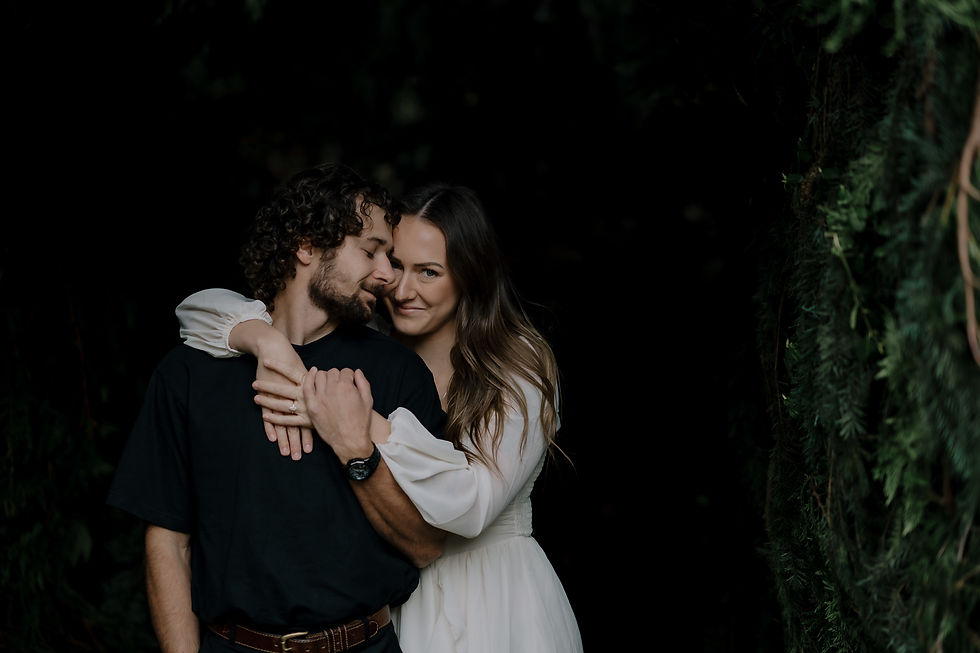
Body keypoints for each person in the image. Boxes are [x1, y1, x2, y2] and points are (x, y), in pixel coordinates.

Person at [175, 183, 584, 653]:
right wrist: (262, 340)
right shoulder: (373, 347)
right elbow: (196, 312)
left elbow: (474, 505)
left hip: (491, 593)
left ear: (471, 275)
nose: (401, 288)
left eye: (428, 272)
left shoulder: (516, 366)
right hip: (391, 604)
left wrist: (358, 422)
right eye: (395, 265)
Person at [106, 163, 448, 653]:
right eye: (371, 251)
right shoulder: (187, 373)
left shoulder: (399, 373)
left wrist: (356, 448)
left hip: (364, 644)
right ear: (306, 245)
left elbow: (425, 545)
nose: (387, 275)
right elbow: (168, 541)